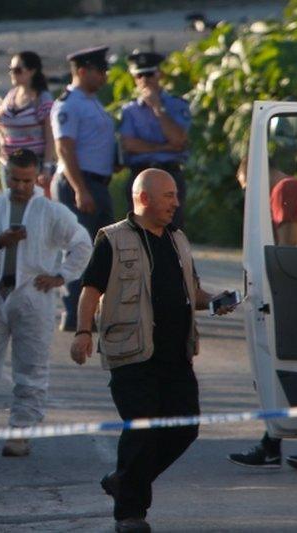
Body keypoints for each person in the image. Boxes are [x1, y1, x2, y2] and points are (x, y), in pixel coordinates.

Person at [70, 168, 233, 533]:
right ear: (143, 198)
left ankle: (124, 481)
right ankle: (130, 514)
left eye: (176, 195)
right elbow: (90, 290)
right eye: (168, 196)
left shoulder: (179, 240)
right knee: (141, 431)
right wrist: (83, 332)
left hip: (176, 356)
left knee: (184, 427)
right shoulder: (113, 239)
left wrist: (215, 302)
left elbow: (194, 292)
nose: (176, 203)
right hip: (133, 355)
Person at [0, 149, 92, 457]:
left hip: (34, 296)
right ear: (5, 175)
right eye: (14, 179)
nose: (20, 186)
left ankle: (20, 432)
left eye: (26, 180)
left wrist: (61, 275)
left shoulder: (51, 212)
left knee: (31, 367)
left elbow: (82, 243)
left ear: (36, 178)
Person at [228, 156, 297, 470]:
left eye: (248, 186)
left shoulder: (283, 190)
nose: (250, 194)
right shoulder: (295, 186)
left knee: (284, 365)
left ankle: (284, 446)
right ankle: (289, 445)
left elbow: (286, 249)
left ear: (253, 171)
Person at [51, 45, 117, 332]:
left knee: (102, 250)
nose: (105, 76)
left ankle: (94, 310)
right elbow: (65, 148)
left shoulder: (91, 102)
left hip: (97, 182)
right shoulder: (68, 104)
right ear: (82, 71)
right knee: (80, 248)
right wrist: (80, 189)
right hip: (79, 182)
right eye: (100, 71)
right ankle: (75, 313)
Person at [120, 51, 191, 229]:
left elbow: (179, 141)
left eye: (149, 74)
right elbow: (129, 145)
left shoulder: (177, 105)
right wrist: (164, 146)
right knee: (139, 230)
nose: (145, 79)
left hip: (169, 173)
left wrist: (158, 109)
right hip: (140, 173)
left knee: (171, 230)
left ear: (159, 74)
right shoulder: (130, 110)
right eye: (139, 75)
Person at [0, 52, 56, 193]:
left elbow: (50, 136)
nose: (12, 74)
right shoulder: (12, 95)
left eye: (17, 70)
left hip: (33, 166)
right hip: (9, 164)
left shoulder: (42, 98)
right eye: (11, 70)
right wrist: (2, 139)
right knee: (11, 206)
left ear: (32, 71)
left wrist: (46, 167)